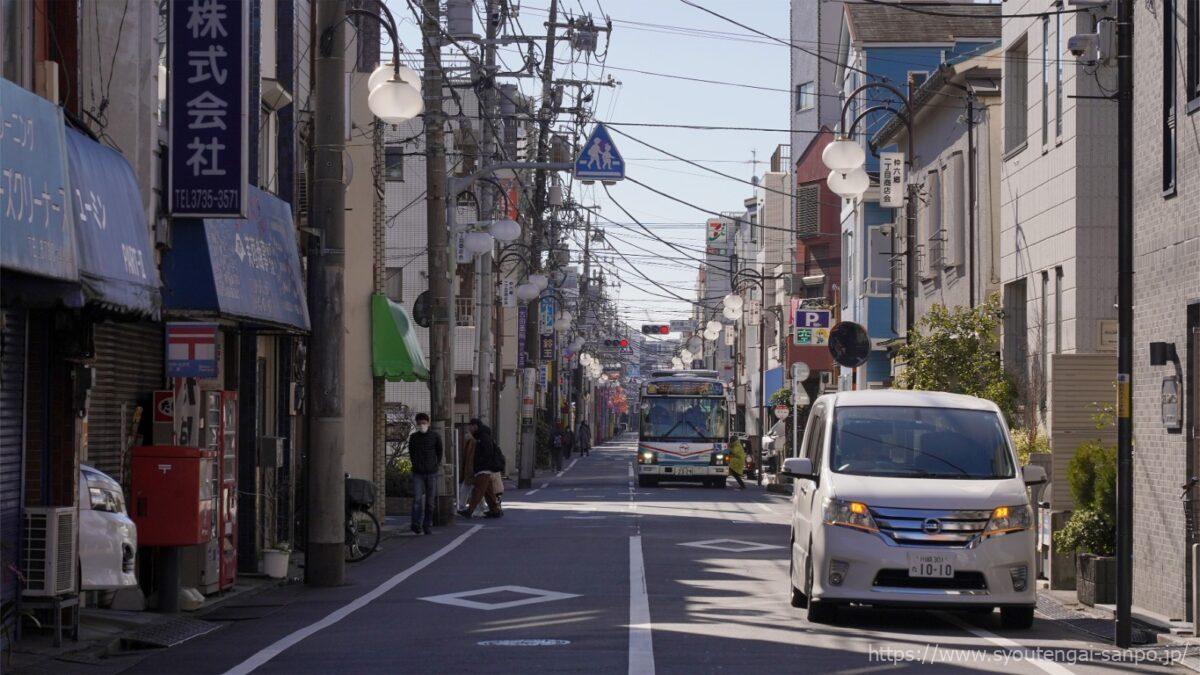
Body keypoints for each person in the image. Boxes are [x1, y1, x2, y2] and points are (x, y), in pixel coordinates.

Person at [458, 418, 503, 519]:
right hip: (483, 468)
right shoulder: (481, 436)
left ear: (475, 426)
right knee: (488, 491)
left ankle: (469, 511)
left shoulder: (483, 437)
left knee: (478, 491)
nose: (469, 428)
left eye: (470, 426)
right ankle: (495, 511)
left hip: (484, 468)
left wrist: (480, 464)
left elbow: (487, 453)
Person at [408, 413, 443, 534]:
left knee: (430, 501)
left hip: (431, 472)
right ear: (417, 424)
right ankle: (415, 524)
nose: (422, 425)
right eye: (419, 423)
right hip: (417, 472)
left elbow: (440, 451)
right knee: (417, 499)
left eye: (424, 423)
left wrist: (436, 464)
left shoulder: (435, 436)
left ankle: (427, 525)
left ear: (428, 423)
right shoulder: (413, 437)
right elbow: (411, 453)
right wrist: (415, 464)